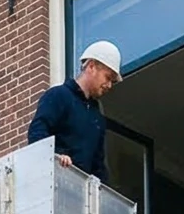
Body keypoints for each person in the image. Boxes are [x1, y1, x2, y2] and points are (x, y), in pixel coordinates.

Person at [27, 40, 122, 182]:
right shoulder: (58, 96)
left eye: (112, 82)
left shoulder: (97, 117)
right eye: (108, 77)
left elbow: (98, 165)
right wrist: (56, 156)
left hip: (80, 191)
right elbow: (37, 134)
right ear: (91, 67)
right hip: (54, 182)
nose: (109, 85)